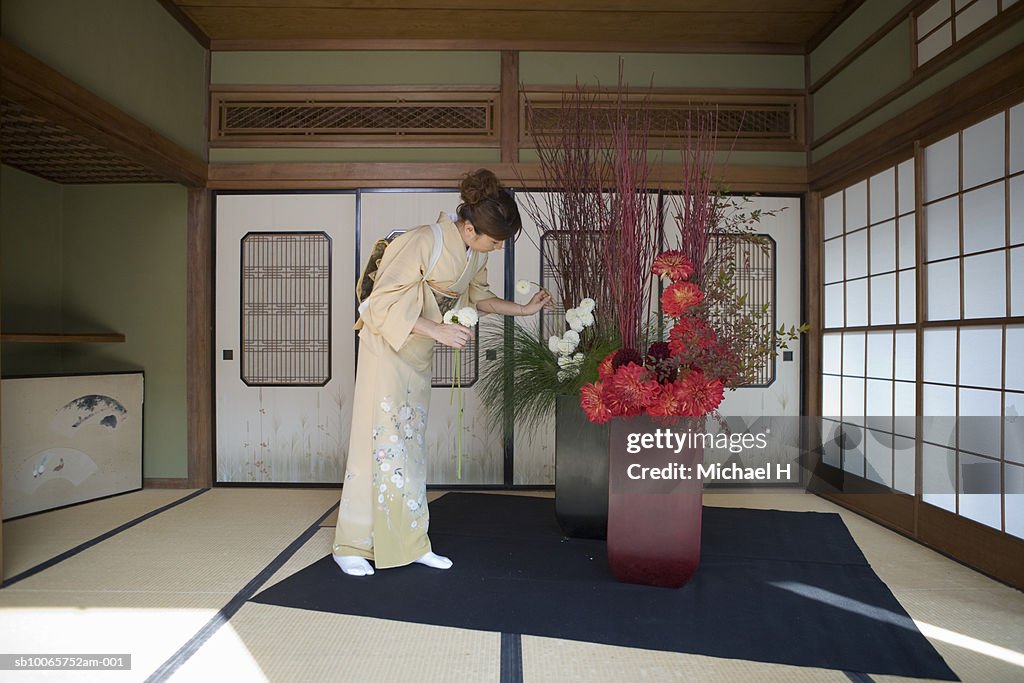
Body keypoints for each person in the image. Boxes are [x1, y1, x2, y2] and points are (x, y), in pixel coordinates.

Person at [333, 169, 552, 576]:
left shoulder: (474, 253)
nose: (498, 247)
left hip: (415, 355)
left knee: (407, 448)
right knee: (378, 444)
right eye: (494, 239)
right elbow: (379, 305)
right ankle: (352, 544)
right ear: (469, 227)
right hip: (386, 350)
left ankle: (410, 540)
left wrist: (523, 310)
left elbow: (479, 298)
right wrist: (437, 328)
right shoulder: (421, 240)